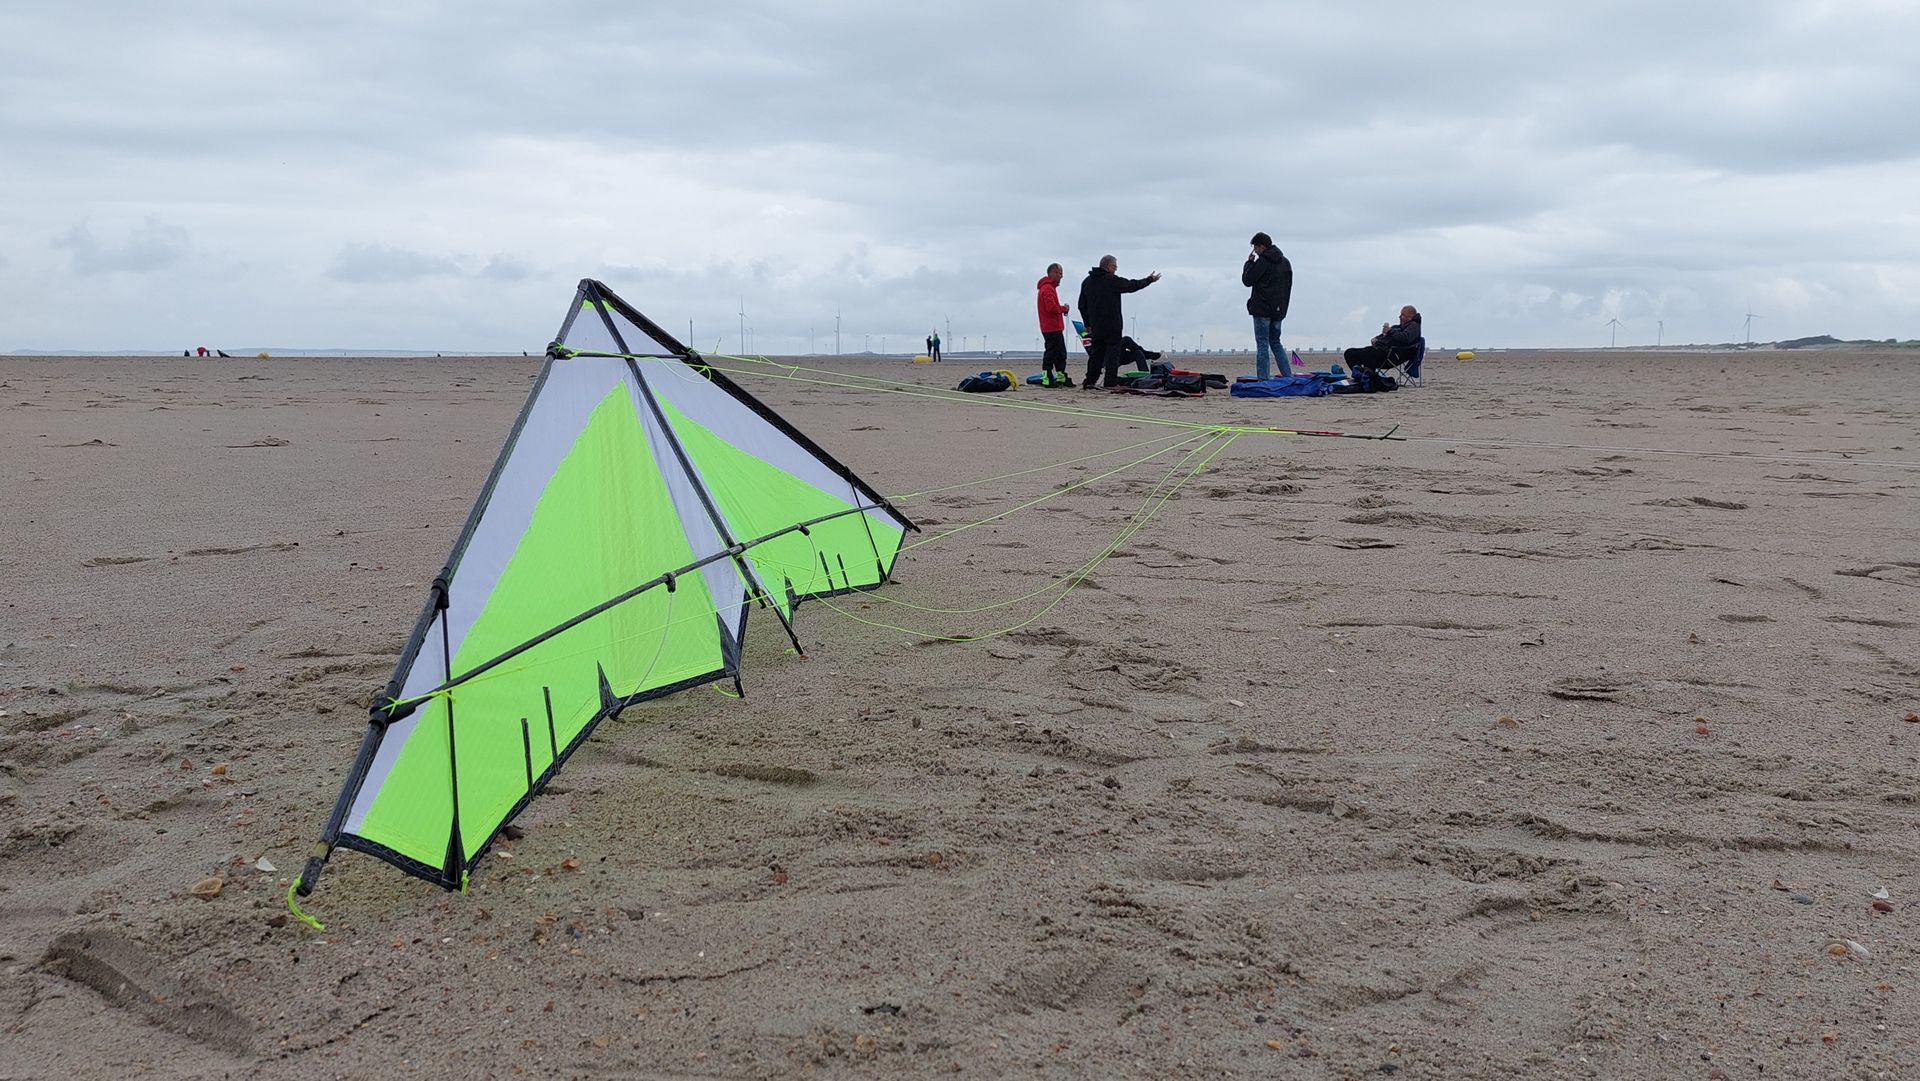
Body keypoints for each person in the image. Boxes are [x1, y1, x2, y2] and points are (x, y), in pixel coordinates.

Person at [1076, 255, 1161, 389]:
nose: (1116, 270)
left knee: (1096, 355)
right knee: (1112, 355)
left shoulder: (1087, 282)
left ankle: (1090, 381)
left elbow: (1081, 305)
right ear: (1109, 266)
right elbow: (1131, 285)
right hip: (1112, 325)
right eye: (1115, 267)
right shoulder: (1111, 279)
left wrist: (1087, 323)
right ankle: (1110, 382)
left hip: (1096, 326)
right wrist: (1149, 280)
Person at [1242, 232, 1293, 379]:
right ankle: (1288, 377)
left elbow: (1247, 280)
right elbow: (1288, 287)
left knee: (1262, 344)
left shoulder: (1263, 261)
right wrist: (1282, 308)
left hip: (1262, 309)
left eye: (1256, 248)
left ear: (1262, 247)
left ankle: (1263, 379)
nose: (1255, 251)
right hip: (1279, 310)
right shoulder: (1285, 262)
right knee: (1276, 342)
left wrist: (1249, 263)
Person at [1344, 306, 1423, 374]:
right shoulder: (1397, 327)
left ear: (1410, 317)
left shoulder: (1414, 326)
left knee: (1369, 352)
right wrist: (1376, 339)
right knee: (1350, 353)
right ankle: (1360, 375)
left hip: (1393, 355)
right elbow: (1384, 336)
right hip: (1382, 351)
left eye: (1402, 315)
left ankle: (1369, 378)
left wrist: (1390, 331)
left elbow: (1405, 338)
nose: (1399, 317)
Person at [1035, 263, 1073, 386]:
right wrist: (1064, 308)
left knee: (1060, 353)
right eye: (1059, 273)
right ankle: (1047, 377)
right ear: (1052, 273)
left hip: (1054, 326)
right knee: (1051, 353)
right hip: (1051, 327)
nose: (1061, 276)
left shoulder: (1049, 288)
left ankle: (1061, 376)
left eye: (1061, 273)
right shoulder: (1047, 288)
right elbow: (1051, 307)